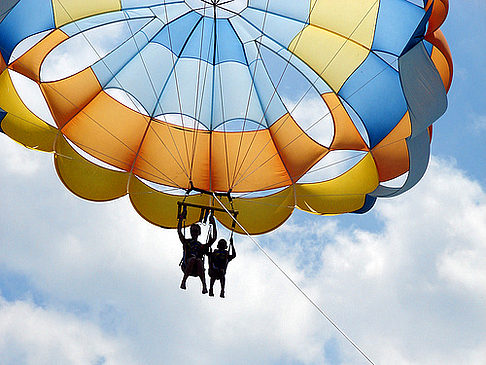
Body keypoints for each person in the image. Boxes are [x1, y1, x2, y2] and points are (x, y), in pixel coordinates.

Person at [178, 213, 217, 294]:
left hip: (197, 268)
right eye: (192, 231)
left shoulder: (201, 246)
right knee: (193, 259)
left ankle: (204, 285)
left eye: (195, 231)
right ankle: (184, 281)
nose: (194, 233)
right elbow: (179, 232)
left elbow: (213, 239)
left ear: (198, 232)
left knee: (198, 260)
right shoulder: (187, 242)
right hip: (187, 265)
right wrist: (181, 219)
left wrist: (213, 224)